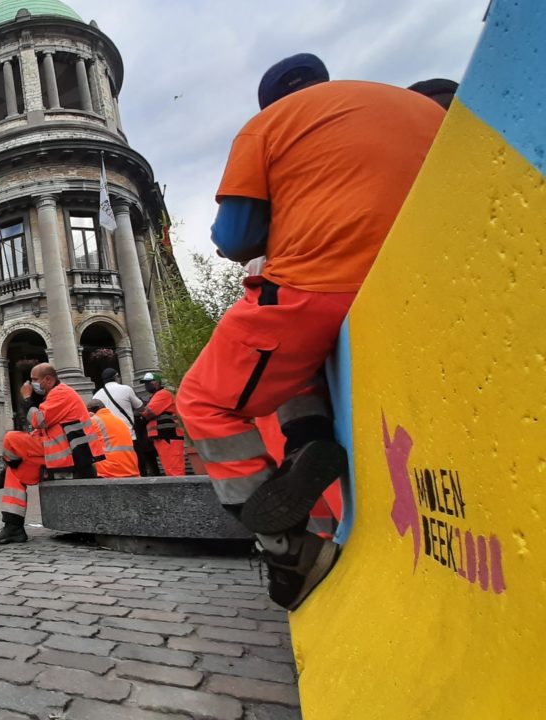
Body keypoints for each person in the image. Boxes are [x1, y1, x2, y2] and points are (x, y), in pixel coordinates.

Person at [177, 53, 444, 609]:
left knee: (204, 400)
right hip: (434, 271)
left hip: (325, 286)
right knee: (293, 366)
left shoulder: (268, 126)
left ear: (271, 100)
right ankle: (307, 442)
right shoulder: (413, 104)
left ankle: (288, 550)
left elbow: (236, 238)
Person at [0, 363, 103, 545]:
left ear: (48, 379)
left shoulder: (61, 393)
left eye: (34, 380)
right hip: (56, 453)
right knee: (14, 473)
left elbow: (38, 420)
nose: (30, 384)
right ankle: (13, 528)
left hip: (67, 455)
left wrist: (27, 398)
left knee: (11, 438)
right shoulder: (54, 395)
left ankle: (8, 463)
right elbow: (43, 428)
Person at [140, 373, 185, 476]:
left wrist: (141, 414)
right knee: (170, 467)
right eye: (145, 383)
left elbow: (148, 412)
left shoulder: (162, 394)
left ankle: (180, 485)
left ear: (157, 382)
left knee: (174, 468)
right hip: (164, 435)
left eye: (148, 382)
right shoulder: (157, 395)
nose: (146, 385)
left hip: (168, 435)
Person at [86, 400, 140, 478]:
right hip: (131, 468)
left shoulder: (93, 421)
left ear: (90, 411)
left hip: (110, 470)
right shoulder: (119, 421)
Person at [93, 368, 143, 437]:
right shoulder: (126, 389)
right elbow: (140, 408)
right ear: (116, 377)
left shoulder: (96, 396)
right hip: (128, 434)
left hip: (109, 438)